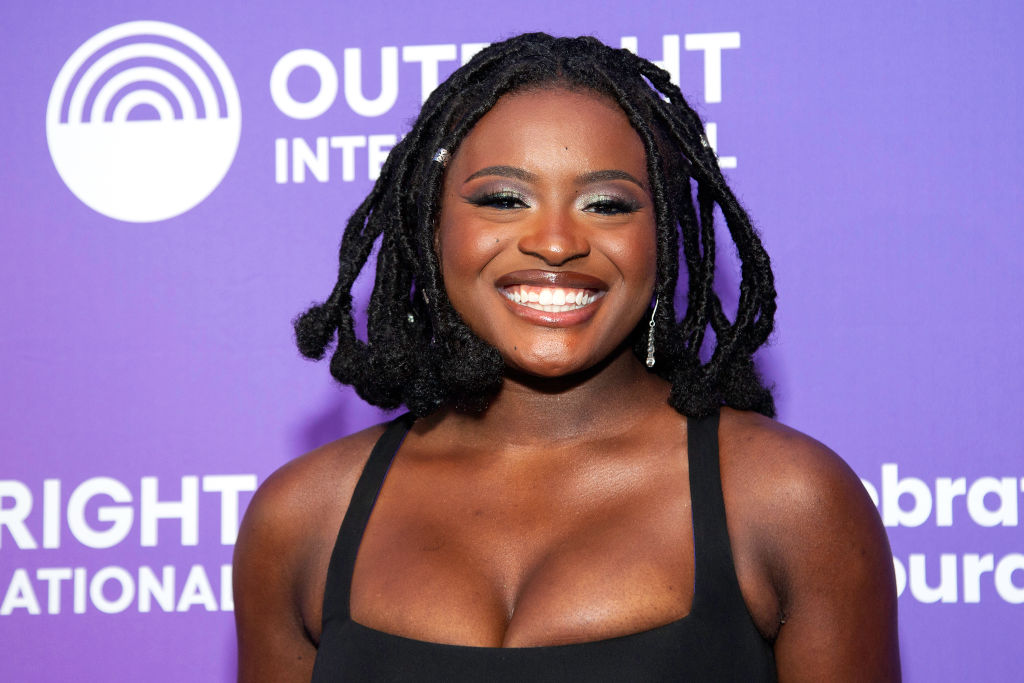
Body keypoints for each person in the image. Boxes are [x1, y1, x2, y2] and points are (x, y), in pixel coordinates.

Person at [233, 33, 900, 682]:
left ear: (662, 235)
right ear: (431, 225)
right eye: (503, 198)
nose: (554, 242)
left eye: (606, 204)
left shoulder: (787, 500)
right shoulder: (303, 517)